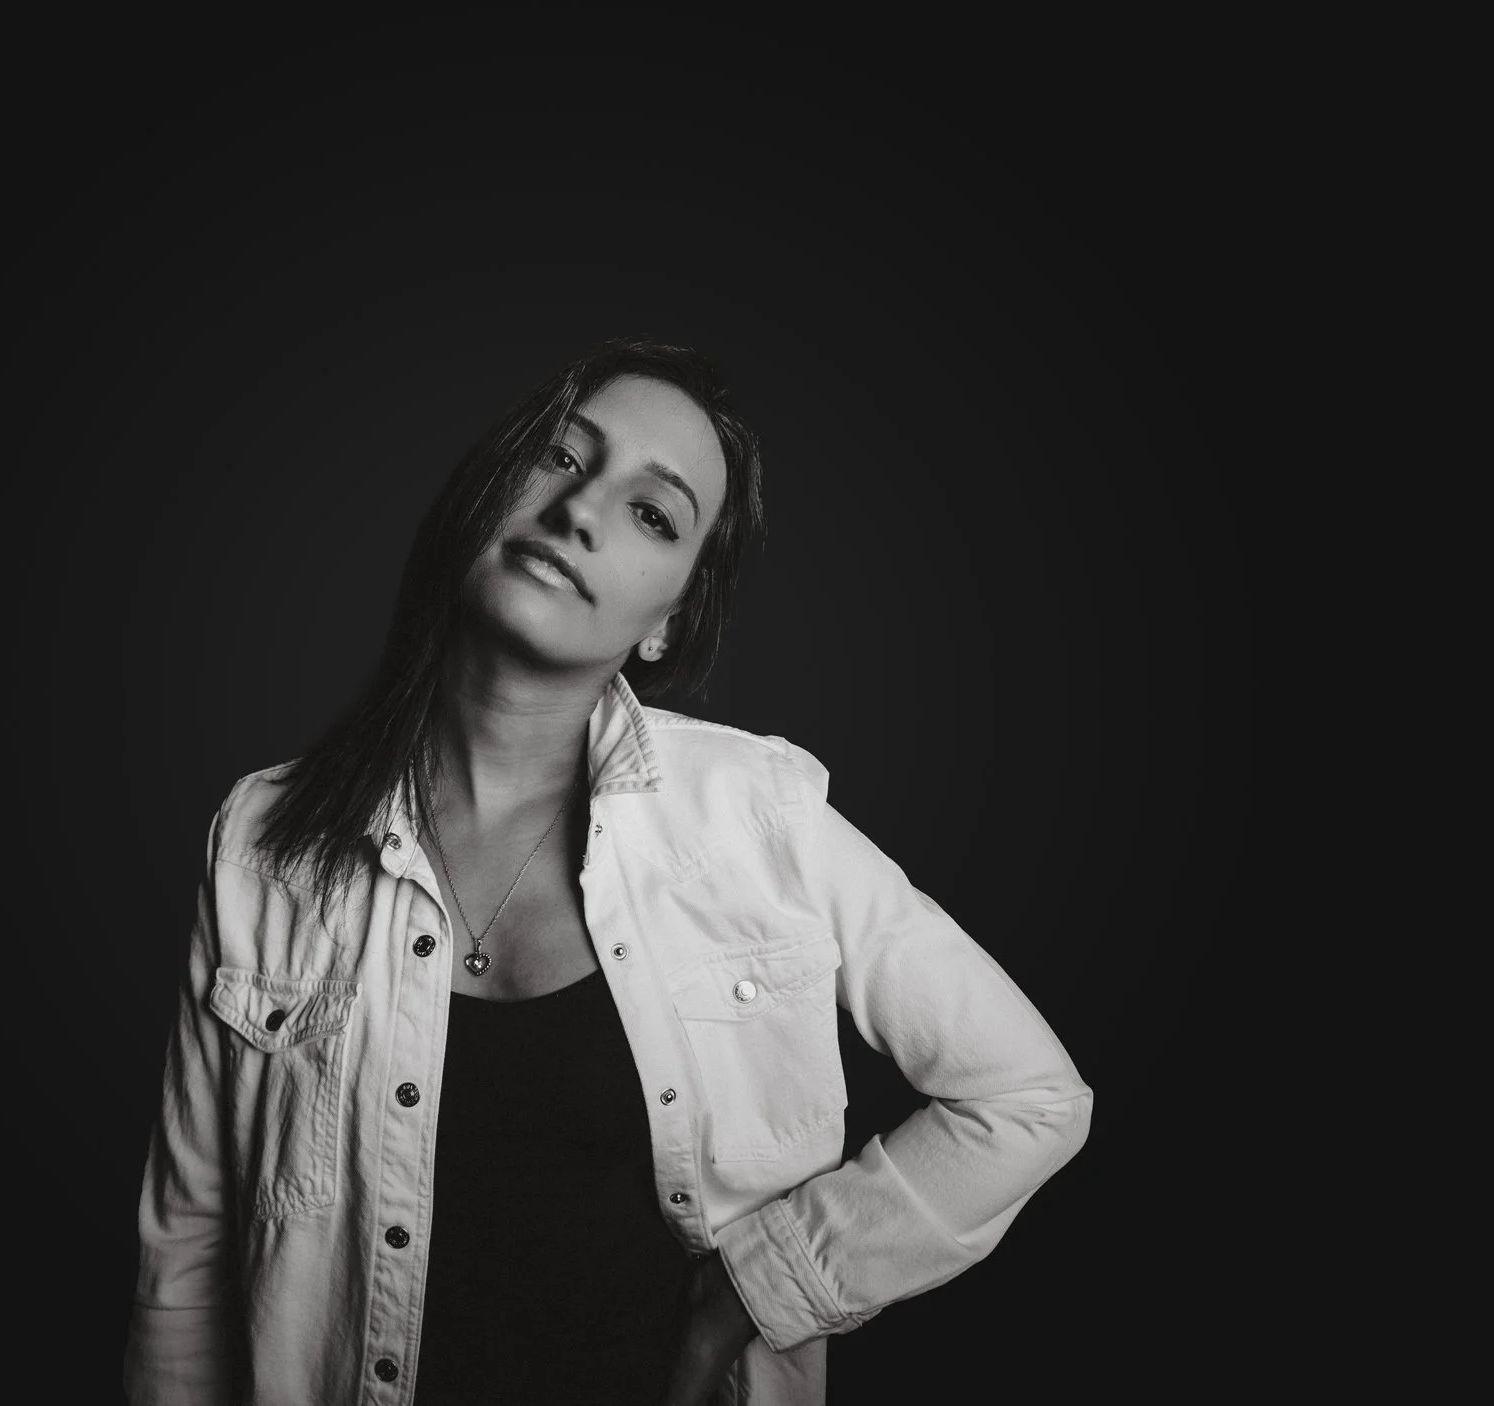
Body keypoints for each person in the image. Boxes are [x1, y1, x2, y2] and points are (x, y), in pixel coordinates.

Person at [124, 339, 1093, 1405]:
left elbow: (1029, 1096)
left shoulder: (754, 815)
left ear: (669, 615)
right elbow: (189, 1253)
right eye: (560, 456)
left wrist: (754, 1289)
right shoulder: (264, 837)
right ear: (487, 487)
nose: (581, 509)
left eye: (654, 513)